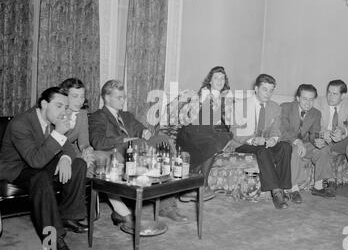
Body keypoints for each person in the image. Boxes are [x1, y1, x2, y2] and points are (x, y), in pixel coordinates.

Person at [88, 80, 188, 235]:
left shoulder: (127, 116)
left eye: (124, 97)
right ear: (107, 98)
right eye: (119, 97)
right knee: (140, 144)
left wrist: (145, 132)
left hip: (137, 148)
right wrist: (124, 140)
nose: (123, 100)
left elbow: (140, 129)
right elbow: (97, 141)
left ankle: (168, 204)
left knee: (163, 140)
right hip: (117, 151)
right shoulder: (97, 117)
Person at [0, 87, 88, 250]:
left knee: (78, 164)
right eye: (59, 106)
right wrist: (59, 134)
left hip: (37, 163)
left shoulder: (52, 121)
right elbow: (35, 161)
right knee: (39, 176)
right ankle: (52, 240)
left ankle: (68, 217)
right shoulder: (20, 123)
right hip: (16, 169)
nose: (63, 111)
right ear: (44, 104)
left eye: (65, 107)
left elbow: (68, 150)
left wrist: (65, 159)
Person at [227, 74, 292, 209]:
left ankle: (284, 188)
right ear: (256, 88)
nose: (268, 94)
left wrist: (274, 139)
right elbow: (234, 131)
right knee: (262, 150)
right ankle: (276, 192)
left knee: (285, 146)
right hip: (243, 143)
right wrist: (252, 140)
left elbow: (276, 130)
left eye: (271, 90)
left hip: (264, 142)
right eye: (264, 89)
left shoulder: (275, 107)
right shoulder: (241, 104)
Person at [177, 66, 233, 202]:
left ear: (225, 81)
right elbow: (184, 118)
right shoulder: (202, 94)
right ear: (210, 81)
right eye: (216, 78)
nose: (219, 81)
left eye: (222, 78)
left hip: (207, 134)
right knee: (213, 143)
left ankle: (193, 184)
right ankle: (202, 184)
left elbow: (226, 123)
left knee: (225, 136)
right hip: (191, 134)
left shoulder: (225, 98)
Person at [280, 84, 321, 204]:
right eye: (304, 99)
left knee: (322, 149)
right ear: (297, 98)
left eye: (311, 99)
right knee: (295, 149)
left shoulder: (316, 113)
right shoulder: (285, 107)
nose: (308, 103)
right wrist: (297, 142)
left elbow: (314, 133)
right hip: (286, 141)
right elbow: (282, 130)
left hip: (303, 143)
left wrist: (318, 140)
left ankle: (320, 185)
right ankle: (293, 188)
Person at [59, 78, 95, 168]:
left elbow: (84, 143)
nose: (80, 101)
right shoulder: (57, 113)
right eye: (75, 96)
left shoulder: (82, 114)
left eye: (82, 96)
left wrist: (87, 150)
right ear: (64, 96)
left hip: (70, 152)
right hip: (54, 154)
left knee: (89, 164)